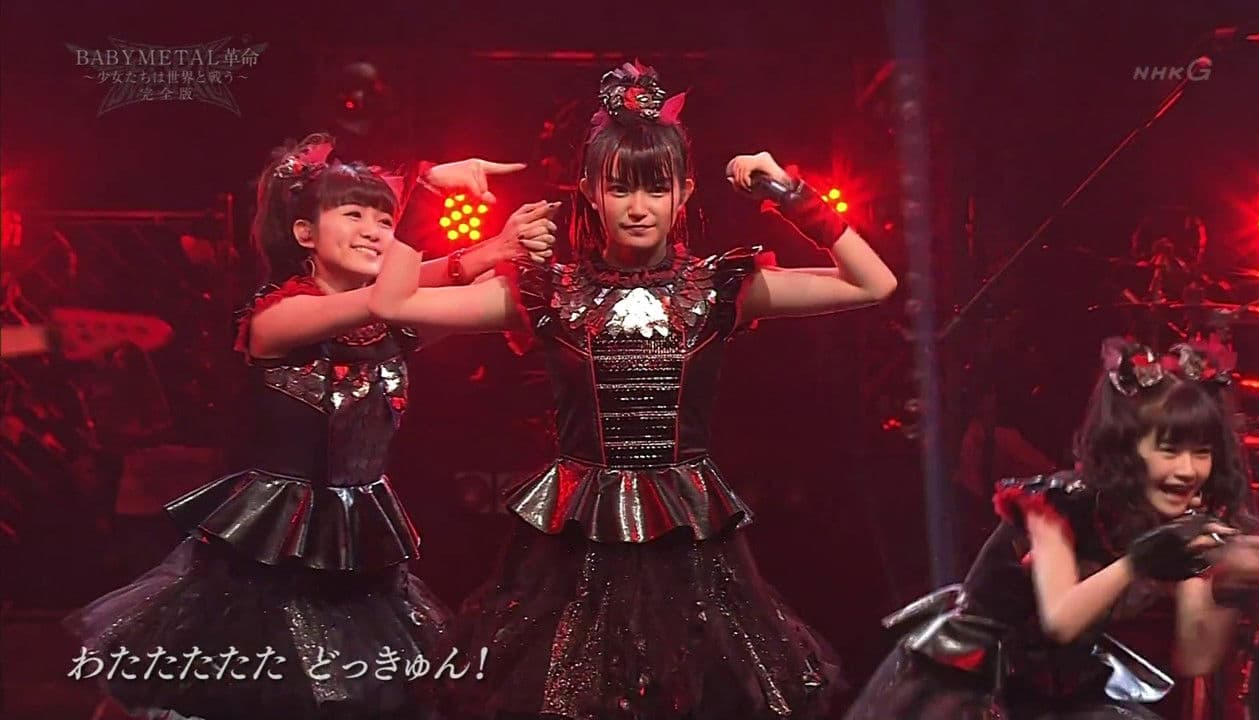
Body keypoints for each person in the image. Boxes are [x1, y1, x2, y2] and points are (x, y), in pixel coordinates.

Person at [366, 61, 898, 718]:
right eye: (620, 188)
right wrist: (424, 194)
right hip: (574, 548)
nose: (639, 207)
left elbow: (874, 284)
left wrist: (790, 192)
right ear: (590, 191)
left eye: (656, 188)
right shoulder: (548, 292)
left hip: (689, 546)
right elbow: (392, 304)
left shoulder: (719, 288)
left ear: (685, 192)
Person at [64, 133, 552, 720]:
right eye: (354, 215)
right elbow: (383, 300)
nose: (375, 231)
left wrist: (505, 250)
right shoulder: (278, 316)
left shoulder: (391, 324)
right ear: (304, 234)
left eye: (385, 219)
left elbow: (442, 300)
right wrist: (426, 192)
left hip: (359, 547)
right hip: (271, 556)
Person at [846, 336, 1259, 719]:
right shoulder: (1056, 506)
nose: (1188, 470)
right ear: (1128, 449)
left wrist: (1224, 583)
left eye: (1201, 453)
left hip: (1055, 691)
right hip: (971, 686)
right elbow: (1061, 620)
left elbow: (1196, 657)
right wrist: (1140, 560)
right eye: (1169, 451)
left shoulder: (1177, 522)